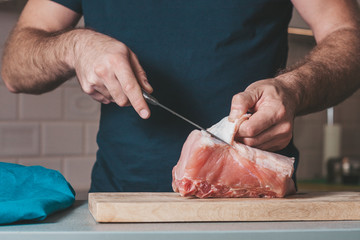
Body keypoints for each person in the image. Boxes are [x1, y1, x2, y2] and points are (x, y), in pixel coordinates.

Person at [1, 0, 360, 192]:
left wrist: (293, 89)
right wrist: (74, 45)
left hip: (256, 204)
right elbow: (15, 67)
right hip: (123, 206)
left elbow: (348, 35)